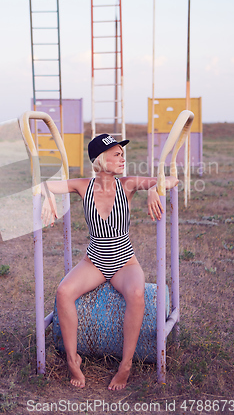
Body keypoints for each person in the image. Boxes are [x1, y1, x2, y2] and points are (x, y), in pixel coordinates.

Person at [41, 133, 178, 390]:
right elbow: (45, 184)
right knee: (63, 292)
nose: (122, 158)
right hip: (94, 261)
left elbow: (171, 179)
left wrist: (152, 189)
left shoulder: (126, 184)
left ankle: (125, 365)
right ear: (101, 159)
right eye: (116, 154)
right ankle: (73, 361)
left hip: (125, 262)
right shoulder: (83, 185)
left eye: (122, 154)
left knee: (138, 293)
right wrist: (48, 196)